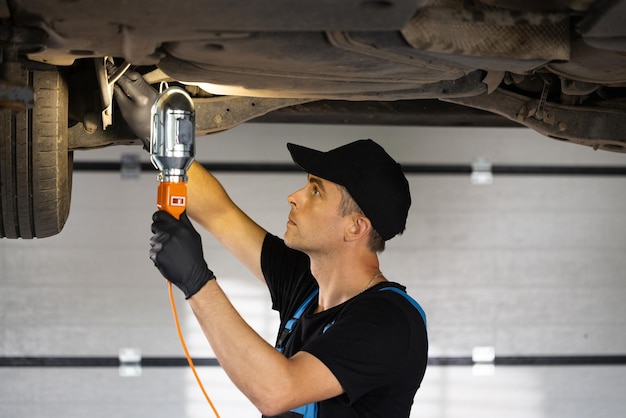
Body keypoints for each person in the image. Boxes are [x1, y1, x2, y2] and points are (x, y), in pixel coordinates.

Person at [115, 71, 428, 418]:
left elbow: (279, 391)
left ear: (355, 227)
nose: (293, 197)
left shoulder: (389, 322)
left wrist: (197, 281)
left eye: (316, 191)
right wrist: (160, 139)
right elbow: (221, 214)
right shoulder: (306, 286)